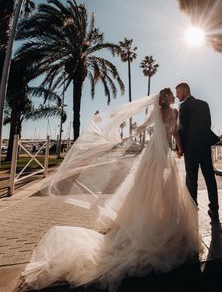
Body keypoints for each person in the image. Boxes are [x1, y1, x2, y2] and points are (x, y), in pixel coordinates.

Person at [22, 88, 200, 291]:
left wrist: (142, 139)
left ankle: (155, 221)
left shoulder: (161, 112)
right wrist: (179, 147)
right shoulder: (172, 112)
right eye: (170, 95)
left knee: (153, 189)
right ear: (167, 98)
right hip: (159, 153)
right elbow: (172, 131)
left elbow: (150, 128)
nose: (172, 97)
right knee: (158, 189)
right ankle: (159, 223)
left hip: (157, 153)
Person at [176, 82, 220, 220]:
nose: (176, 95)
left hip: (190, 149)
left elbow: (182, 129)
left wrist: (180, 149)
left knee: (191, 180)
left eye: (177, 92)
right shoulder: (204, 104)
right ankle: (214, 210)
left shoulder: (183, 107)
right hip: (205, 147)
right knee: (210, 178)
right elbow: (207, 125)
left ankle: (192, 209)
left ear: (184, 90)